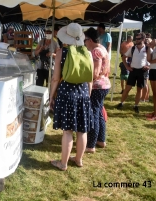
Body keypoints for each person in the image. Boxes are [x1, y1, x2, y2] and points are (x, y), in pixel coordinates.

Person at [49, 23, 93, 170]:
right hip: (83, 93)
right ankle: (79, 160)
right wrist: (88, 95)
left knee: (67, 131)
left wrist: (51, 95)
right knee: (82, 130)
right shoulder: (87, 52)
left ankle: (63, 163)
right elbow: (90, 78)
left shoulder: (61, 52)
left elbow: (55, 78)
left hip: (66, 93)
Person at [83, 27, 111, 153]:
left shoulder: (95, 51)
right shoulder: (103, 48)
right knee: (99, 113)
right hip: (105, 85)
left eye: (85, 40)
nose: (84, 43)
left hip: (97, 86)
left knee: (93, 114)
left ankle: (91, 145)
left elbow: (95, 73)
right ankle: (101, 140)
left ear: (90, 39)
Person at [116, 32, 150, 113]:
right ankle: (121, 103)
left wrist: (148, 66)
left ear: (143, 39)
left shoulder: (148, 49)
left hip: (142, 71)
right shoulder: (133, 48)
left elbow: (152, 60)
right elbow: (124, 57)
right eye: (136, 38)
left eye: (138, 39)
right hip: (133, 70)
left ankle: (136, 106)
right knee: (127, 88)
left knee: (139, 89)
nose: (136, 40)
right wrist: (127, 66)